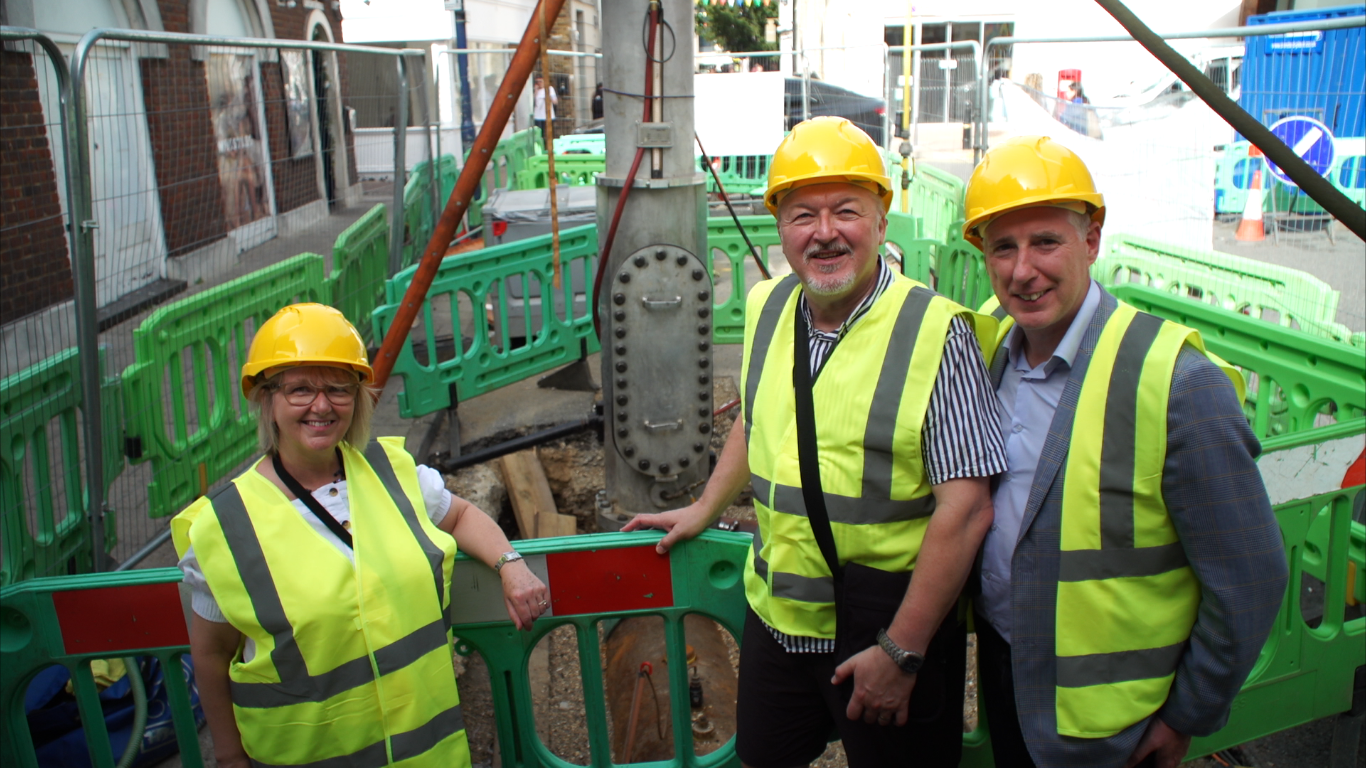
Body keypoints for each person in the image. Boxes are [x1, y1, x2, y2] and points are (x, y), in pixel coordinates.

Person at [624, 116, 1007, 768]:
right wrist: (704, 508)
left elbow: (967, 508)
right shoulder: (769, 304)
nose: (825, 232)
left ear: (882, 220)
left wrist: (901, 651)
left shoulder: (936, 332)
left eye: (846, 211)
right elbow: (757, 421)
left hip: (887, 627)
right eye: (803, 214)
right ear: (779, 227)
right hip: (778, 622)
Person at [961, 136, 1287, 768]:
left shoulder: (1176, 383)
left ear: (1092, 240)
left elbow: (1250, 575)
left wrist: (1188, 711)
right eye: (1003, 246)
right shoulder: (991, 343)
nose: (1022, 270)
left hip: (1118, 725)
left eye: (1047, 242)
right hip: (1009, 669)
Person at [172, 303, 549, 768]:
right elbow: (209, 656)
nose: (322, 405)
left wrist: (510, 566)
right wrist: (229, 756)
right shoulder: (223, 526)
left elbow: (462, 514)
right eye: (300, 389)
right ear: (266, 399)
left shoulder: (394, 473)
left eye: (337, 388)